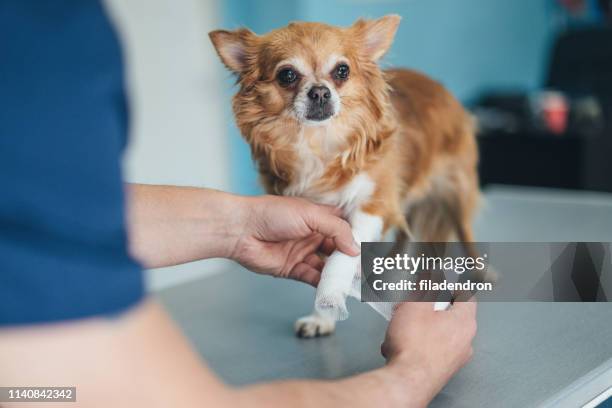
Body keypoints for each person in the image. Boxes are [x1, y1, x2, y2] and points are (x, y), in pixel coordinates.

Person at [0, 1, 477, 407]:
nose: (318, 89)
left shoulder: (37, 40)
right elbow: (55, 390)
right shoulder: (40, 36)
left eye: (339, 72)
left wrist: (237, 225)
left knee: (461, 252)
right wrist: (415, 373)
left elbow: (54, 218)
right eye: (289, 76)